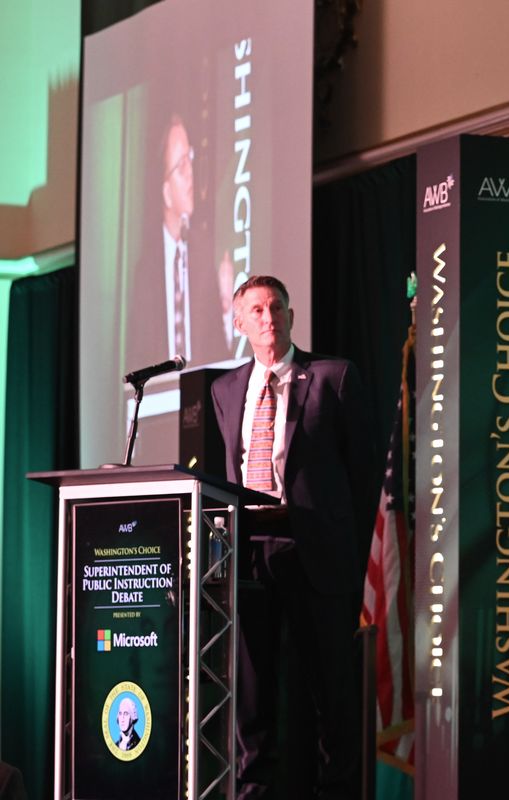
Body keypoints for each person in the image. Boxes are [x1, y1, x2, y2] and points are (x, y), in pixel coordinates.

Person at [211, 275, 376, 798]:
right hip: (251, 555)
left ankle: (339, 791)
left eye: (276, 307)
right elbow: (224, 472)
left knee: (332, 695)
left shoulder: (333, 377)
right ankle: (253, 791)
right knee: (253, 698)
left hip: (315, 554)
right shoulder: (224, 389)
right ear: (239, 322)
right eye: (256, 309)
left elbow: (364, 473)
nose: (267, 317)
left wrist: (348, 553)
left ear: (291, 315)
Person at [131, 113, 233, 371]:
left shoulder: (203, 251)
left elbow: (218, 347)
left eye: (191, 158)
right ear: (165, 192)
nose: (191, 173)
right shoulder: (146, 269)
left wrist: (227, 308)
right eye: (181, 166)